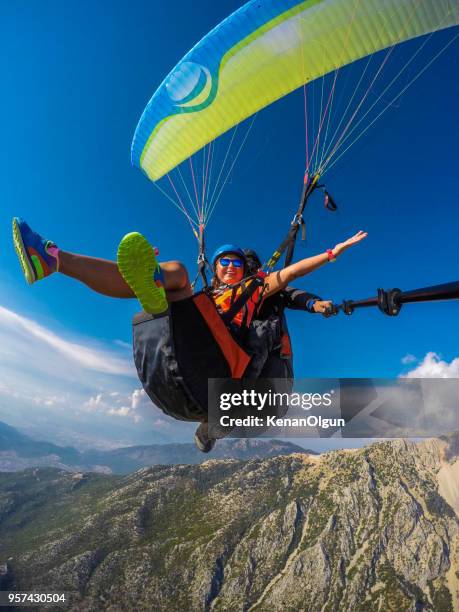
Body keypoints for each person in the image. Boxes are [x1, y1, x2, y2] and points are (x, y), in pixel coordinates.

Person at [12, 217, 367, 451]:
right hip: (192, 348)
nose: (230, 267)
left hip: (223, 362)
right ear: (214, 269)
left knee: (178, 273)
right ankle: (55, 261)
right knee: (177, 276)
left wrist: (331, 253)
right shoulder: (207, 293)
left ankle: (155, 284)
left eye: (236, 263)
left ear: (245, 269)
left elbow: (289, 276)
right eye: (223, 263)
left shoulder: (255, 288)